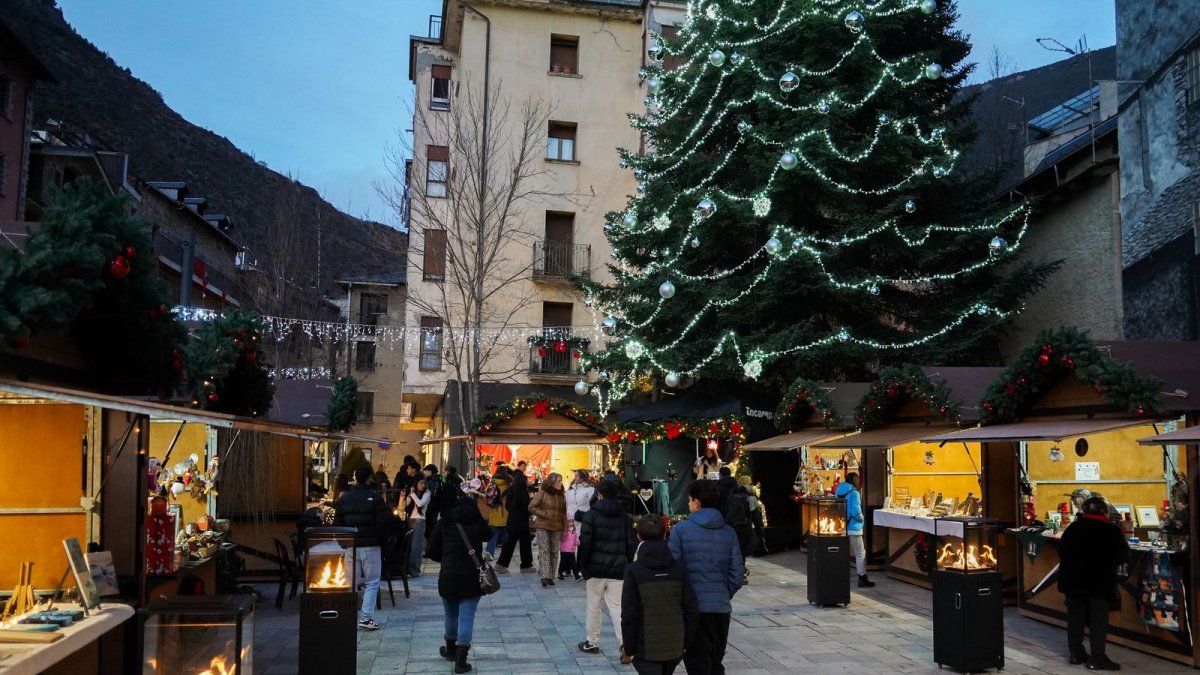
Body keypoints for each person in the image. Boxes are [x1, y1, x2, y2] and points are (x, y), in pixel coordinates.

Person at [668, 479, 744, 675]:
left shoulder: (681, 531)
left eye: (689, 499)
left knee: (696, 663)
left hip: (693, 609)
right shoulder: (729, 532)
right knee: (715, 662)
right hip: (720, 608)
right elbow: (737, 573)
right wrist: (722, 594)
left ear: (696, 502)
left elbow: (674, 571)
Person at [622, 515, 699, 675]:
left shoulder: (634, 571)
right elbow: (691, 609)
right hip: (674, 645)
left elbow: (629, 613)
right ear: (665, 534)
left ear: (638, 536)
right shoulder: (679, 569)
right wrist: (685, 642)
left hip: (645, 647)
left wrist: (629, 648)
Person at [1058, 496, 1129, 671]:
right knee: (1098, 620)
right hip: (1098, 582)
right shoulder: (1111, 531)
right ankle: (1097, 658)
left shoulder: (1073, 528)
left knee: (1075, 618)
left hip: (1073, 581)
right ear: (1104, 511)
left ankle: (1076, 654)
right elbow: (1122, 556)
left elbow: (1062, 552)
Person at [426, 494, 493, 673]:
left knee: (450, 614)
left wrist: (445, 559)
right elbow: (490, 534)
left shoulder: (445, 522)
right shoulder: (477, 522)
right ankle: (461, 661)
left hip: (448, 574)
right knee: (467, 616)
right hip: (472, 576)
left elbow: (430, 550)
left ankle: (450, 650)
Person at [577, 480, 637, 658]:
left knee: (594, 606)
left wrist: (584, 566)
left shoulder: (591, 515)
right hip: (618, 568)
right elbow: (631, 544)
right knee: (617, 607)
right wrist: (627, 562)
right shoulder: (624, 516)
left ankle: (591, 641)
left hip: (595, 568)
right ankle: (625, 643)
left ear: (599, 494)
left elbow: (585, 544)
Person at [333, 465, 389, 631]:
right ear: (369, 479)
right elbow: (383, 523)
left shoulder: (344, 498)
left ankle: (347, 615)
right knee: (372, 582)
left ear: (355, 478)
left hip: (351, 545)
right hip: (371, 545)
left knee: (350, 582)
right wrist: (382, 542)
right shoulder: (375, 498)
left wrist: (343, 543)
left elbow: (337, 524)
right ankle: (366, 617)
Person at [836, 472, 874, 588]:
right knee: (860, 553)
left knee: (842, 553)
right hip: (853, 528)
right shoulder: (855, 493)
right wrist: (862, 518)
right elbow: (856, 512)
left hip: (842, 526)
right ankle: (862, 578)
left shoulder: (839, 491)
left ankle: (838, 577)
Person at [530, 472, 567, 586]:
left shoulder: (562, 496)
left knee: (555, 552)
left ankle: (550, 575)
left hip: (557, 527)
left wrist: (565, 528)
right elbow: (531, 507)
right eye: (558, 481)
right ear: (552, 482)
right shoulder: (543, 493)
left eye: (561, 481)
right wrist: (544, 514)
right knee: (544, 550)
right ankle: (545, 576)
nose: (560, 483)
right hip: (543, 526)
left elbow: (563, 513)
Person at [495, 472, 534, 573]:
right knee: (525, 544)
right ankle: (526, 565)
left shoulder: (510, 491)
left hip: (512, 521)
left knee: (509, 544)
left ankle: (501, 564)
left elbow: (507, 506)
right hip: (522, 523)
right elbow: (527, 508)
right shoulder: (524, 492)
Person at [726, 476, 756, 577]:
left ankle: (732, 570)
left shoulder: (732, 493)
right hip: (744, 526)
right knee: (742, 551)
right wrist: (759, 532)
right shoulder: (750, 495)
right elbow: (755, 515)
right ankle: (741, 572)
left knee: (733, 549)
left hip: (731, 526)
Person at [485, 466, 512, 561]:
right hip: (507, 513)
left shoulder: (492, 482)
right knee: (506, 536)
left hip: (494, 513)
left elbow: (486, 497)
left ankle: (489, 552)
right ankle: (504, 555)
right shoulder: (509, 483)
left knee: (492, 535)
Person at [406, 478, 431, 577]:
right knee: (409, 546)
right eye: (421, 483)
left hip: (419, 520)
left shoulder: (427, 493)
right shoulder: (414, 493)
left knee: (416, 547)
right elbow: (406, 505)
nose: (423, 485)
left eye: (424, 483)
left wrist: (412, 494)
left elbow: (420, 503)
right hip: (410, 520)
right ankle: (408, 568)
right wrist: (407, 495)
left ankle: (414, 570)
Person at [423, 464, 444, 538]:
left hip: (431, 505)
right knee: (433, 523)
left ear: (430, 471)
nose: (424, 473)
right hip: (438, 505)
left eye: (426, 471)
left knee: (429, 525)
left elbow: (430, 493)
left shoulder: (430, 480)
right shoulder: (440, 479)